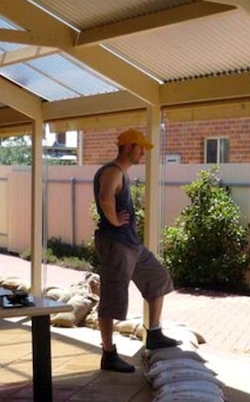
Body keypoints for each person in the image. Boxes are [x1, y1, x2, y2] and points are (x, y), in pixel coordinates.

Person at [93, 128, 180, 373]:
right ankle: (108, 354)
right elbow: (105, 198)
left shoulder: (121, 172)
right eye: (140, 147)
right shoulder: (112, 171)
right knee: (112, 296)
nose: (143, 152)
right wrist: (113, 220)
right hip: (116, 244)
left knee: (158, 278)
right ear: (129, 146)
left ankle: (153, 333)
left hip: (130, 243)